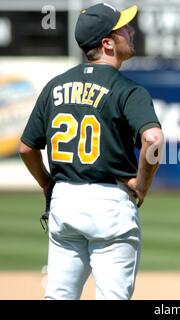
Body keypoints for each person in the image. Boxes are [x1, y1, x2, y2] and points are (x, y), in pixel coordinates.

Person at [19, 3, 163, 300]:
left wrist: (47, 183)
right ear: (107, 43)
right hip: (110, 203)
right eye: (124, 28)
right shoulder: (128, 90)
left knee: (58, 296)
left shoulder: (54, 86)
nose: (131, 30)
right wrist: (143, 185)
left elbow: (26, 147)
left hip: (64, 202)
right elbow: (153, 139)